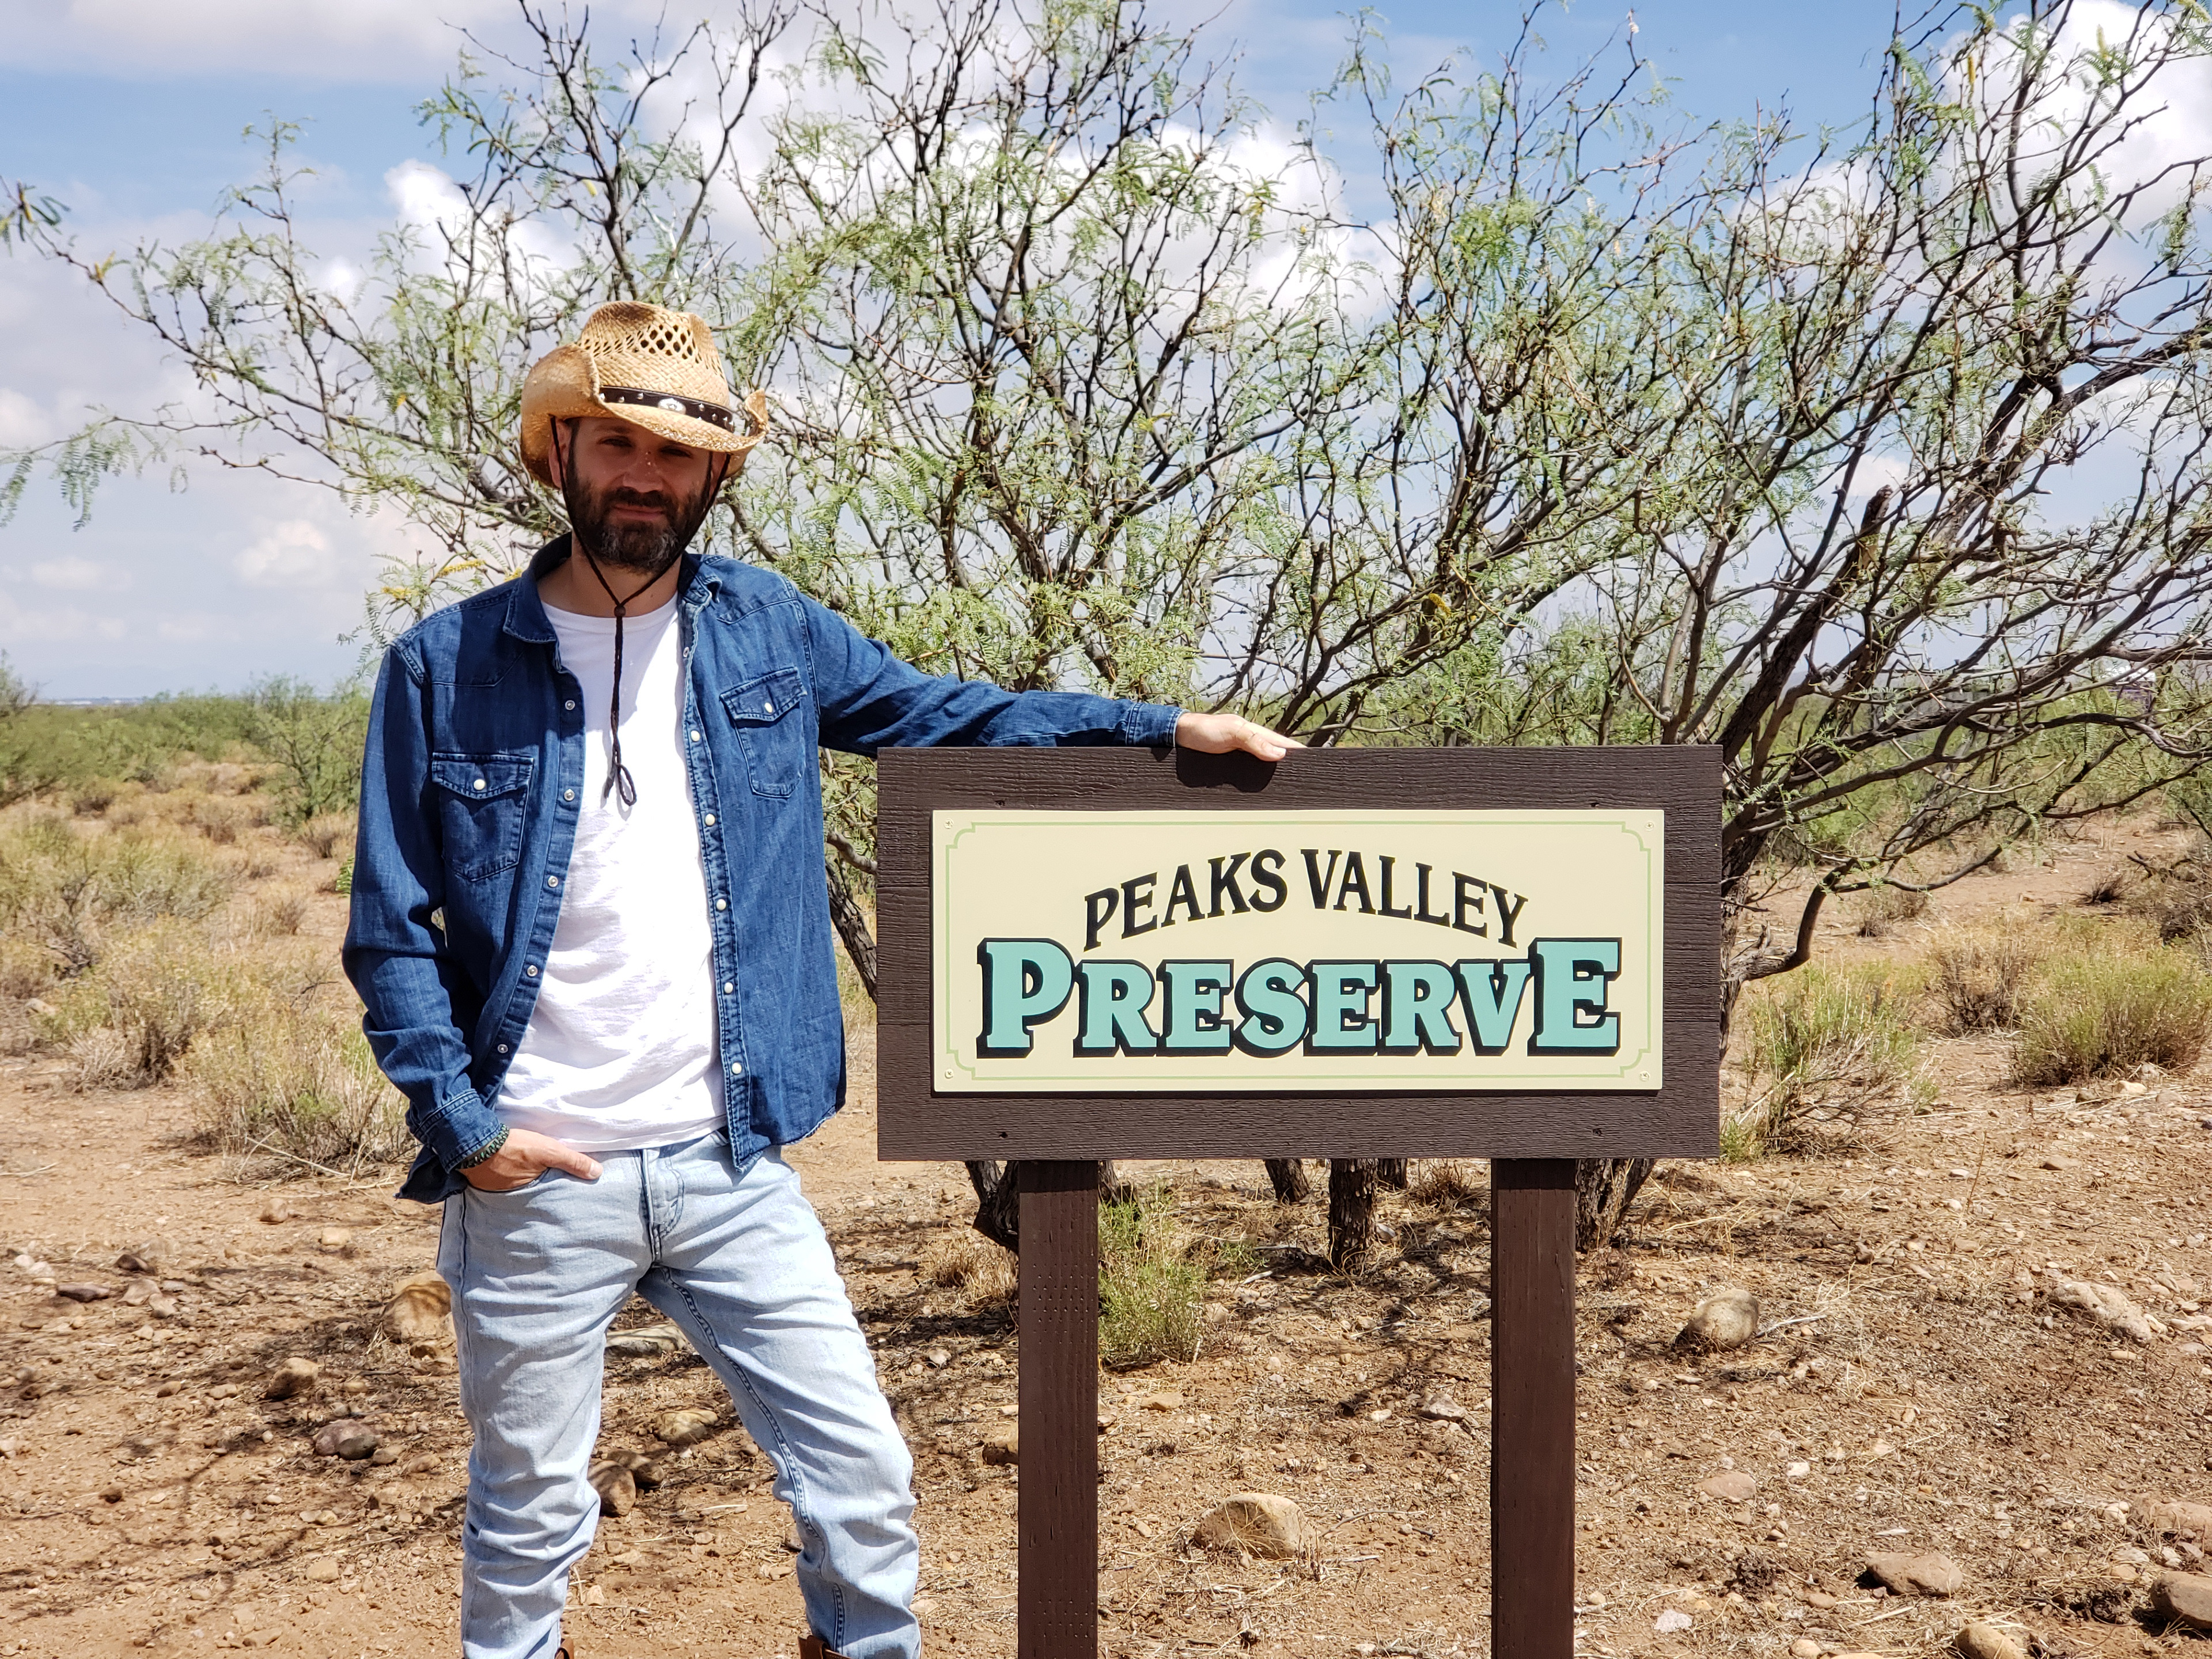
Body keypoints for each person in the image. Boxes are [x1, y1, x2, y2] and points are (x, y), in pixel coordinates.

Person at [342, 300, 1297, 1659]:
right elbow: (391, 925)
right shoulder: (442, 668)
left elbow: (946, 715)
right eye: (615, 442)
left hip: (731, 1163)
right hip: (540, 1171)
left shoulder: (767, 632)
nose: (643, 475)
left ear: (714, 475)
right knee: (529, 1506)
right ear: (559, 455)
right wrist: (469, 1129)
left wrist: (1156, 730)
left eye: (674, 453)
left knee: (861, 1483)